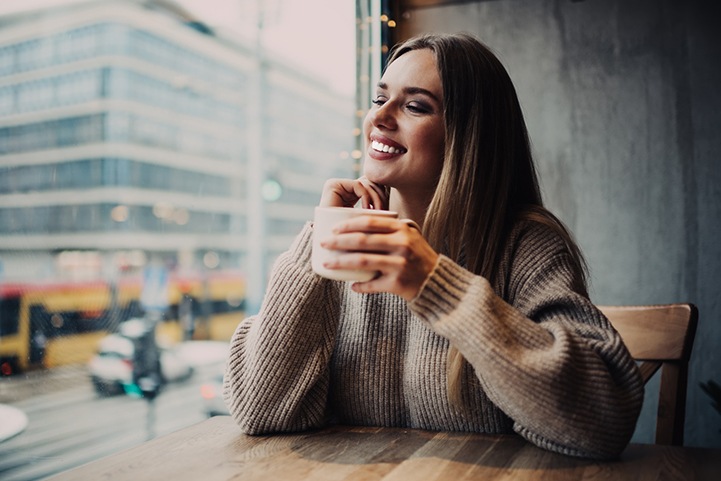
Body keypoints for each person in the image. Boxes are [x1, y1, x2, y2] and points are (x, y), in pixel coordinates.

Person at [223, 32, 644, 459]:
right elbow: (262, 412)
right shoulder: (346, 239)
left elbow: (603, 422)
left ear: (468, 136)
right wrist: (317, 238)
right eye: (379, 98)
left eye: (414, 106)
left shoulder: (524, 244)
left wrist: (435, 283)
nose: (380, 118)